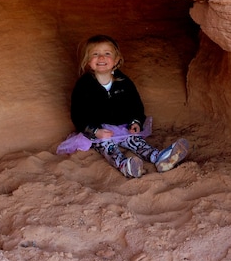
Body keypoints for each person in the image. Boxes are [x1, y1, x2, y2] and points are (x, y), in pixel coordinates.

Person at [58, 34, 188, 178]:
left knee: (135, 140)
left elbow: (135, 104)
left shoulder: (123, 81)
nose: (101, 58)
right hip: (98, 130)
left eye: (107, 54)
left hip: (122, 126)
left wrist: (135, 121)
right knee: (108, 146)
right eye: (95, 54)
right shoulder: (84, 85)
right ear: (88, 61)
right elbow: (78, 113)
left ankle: (159, 158)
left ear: (116, 60)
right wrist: (95, 131)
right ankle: (124, 165)